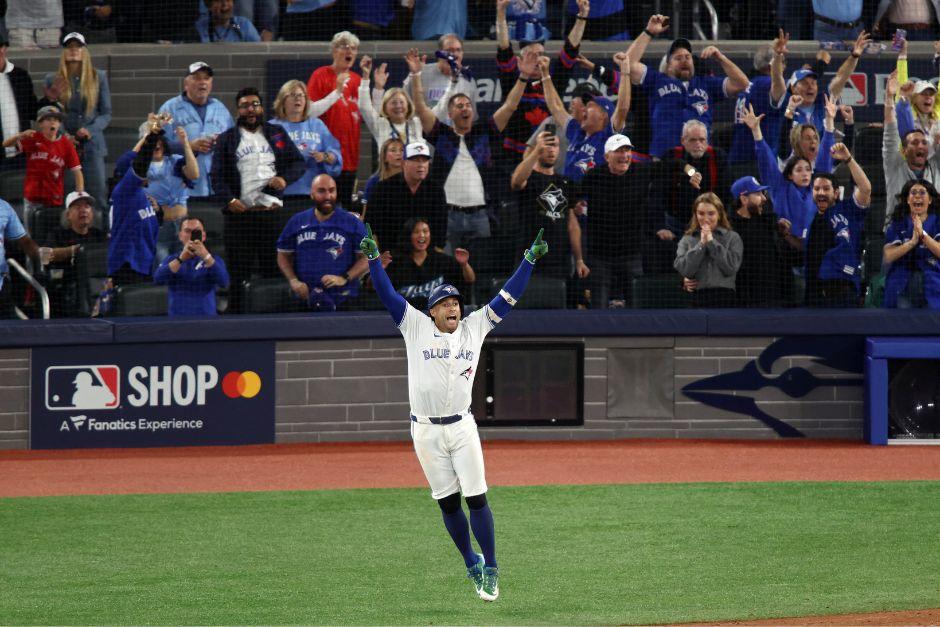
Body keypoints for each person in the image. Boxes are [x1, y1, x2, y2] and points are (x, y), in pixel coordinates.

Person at [361, 219, 549, 603]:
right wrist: (373, 262)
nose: (453, 308)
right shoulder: (414, 326)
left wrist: (529, 260)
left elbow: (507, 298)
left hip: (462, 428)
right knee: (447, 503)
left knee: (476, 497)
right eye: (445, 304)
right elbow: (387, 295)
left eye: (456, 303)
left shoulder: (473, 328)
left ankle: (493, 568)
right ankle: (471, 562)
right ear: (431, 311)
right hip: (425, 432)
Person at [410, 47, 525, 252]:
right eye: (459, 106)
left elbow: (510, 106)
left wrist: (523, 76)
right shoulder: (441, 133)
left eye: (468, 105)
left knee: (481, 270)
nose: (465, 108)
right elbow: (420, 107)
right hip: (446, 216)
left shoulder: (485, 131)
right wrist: (417, 74)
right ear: (450, 112)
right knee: (445, 268)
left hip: (481, 216)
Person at [211, 87, 305, 314]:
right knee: (238, 272)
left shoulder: (277, 133)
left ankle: (272, 316)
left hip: (271, 216)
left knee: (272, 269)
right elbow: (216, 176)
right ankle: (236, 319)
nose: (250, 109)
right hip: (240, 218)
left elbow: (298, 163)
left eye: (255, 104)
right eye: (245, 105)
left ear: (262, 107)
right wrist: (229, 200)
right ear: (238, 110)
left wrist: (284, 179)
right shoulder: (227, 139)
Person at [624, 14, 749, 159]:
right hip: (664, 157)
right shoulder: (657, 80)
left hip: (700, 156)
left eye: (688, 57)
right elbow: (629, 64)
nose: (684, 60)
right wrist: (648, 32)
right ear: (667, 66)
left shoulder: (706, 83)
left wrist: (720, 58)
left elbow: (742, 83)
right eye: (678, 58)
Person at [494, 0, 591, 168]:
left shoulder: (553, 82)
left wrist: (581, 17)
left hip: (546, 160)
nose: (537, 59)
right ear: (520, 61)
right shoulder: (513, 81)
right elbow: (504, 49)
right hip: (512, 159)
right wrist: (501, 14)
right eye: (532, 55)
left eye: (541, 54)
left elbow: (570, 50)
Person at [575, 134, 651, 308]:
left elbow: (673, 166)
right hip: (600, 256)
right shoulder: (594, 176)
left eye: (627, 150)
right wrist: (576, 205)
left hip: (632, 254)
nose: (624, 155)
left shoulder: (642, 171)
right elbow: (574, 195)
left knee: (637, 308)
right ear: (607, 156)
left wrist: (691, 172)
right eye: (618, 151)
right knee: (598, 310)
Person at [277, 174, 369, 312]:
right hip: (304, 298)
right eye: (321, 191)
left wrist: (344, 278)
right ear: (311, 194)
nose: (328, 196)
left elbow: (368, 257)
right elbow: (283, 255)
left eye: (332, 190)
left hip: (343, 299)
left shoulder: (352, 223)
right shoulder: (297, 221)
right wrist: (293, 280)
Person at [511, 130, 588, 291]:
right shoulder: (529, 176)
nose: (551, 150)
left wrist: (579, 259)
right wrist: (535, 149)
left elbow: (572, 226)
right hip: (529, 256)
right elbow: (516, 182)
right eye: (547, 145)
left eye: (555, 146)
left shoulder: (566, 182)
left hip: (559, 259)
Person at [649, 120, 730, 273]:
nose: (698, 144)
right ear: (683, 141)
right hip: (675, 223)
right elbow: (656, 195)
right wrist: (661, 226)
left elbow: (726, 197)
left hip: (708, 225)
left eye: (702, 140)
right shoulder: (671, 156)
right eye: (693, 140)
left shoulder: (718, 157)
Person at [43, 32, 111, 210]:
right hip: (64, 145)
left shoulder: (99, 77)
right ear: (64, 51)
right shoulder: (52, 79)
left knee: (98, 192)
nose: (73, 50)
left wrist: (91, 130)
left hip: (92, 144)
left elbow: (106, 113)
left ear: (84, 50)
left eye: (78, 46)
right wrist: (64, 135)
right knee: (67, 193)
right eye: (69, 47)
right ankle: (67, 233)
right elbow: (51, 113)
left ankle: (102, 232)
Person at [114, 120, 199, 262]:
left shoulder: (175, 161)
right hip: (157, 227)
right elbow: (123, 166)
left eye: (158, 139)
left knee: (186, 264)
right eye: (152, 140)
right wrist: (147, 137)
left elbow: (194, 174)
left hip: (183, 223)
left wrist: (185, 143)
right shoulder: (139, 169)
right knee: (163, 264)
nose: (156, 144)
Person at [540, 53, 631, 182]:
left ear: (603, 115)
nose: (584, 109)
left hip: (591, 196)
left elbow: (623, 108)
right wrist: (545, 74)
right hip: (568, 193)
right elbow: (556, 107)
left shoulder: (608, 136)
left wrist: (625, 71)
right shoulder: (576, 130)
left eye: (589, 105)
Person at [802, 145, 872, 307]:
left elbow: (866, 188)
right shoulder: (810, 217)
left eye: (826, 189)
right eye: (817, 188)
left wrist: (848, 159)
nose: (820, 192)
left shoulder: (848, 209)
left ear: (836, 193)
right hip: (814, 289)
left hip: (842, 287)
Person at [157, 62, 234, 199]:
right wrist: (188, 147)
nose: (202, 82)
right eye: (197, 78)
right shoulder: (169, 109)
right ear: (186, 83)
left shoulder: (221, 108)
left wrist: (220, 143)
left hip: (217, 187)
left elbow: (234, 141)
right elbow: (158, 145)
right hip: (182, 187)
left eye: (206, 78)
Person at [1, 106, 83, 234]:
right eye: (48, 119)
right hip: (32, 198)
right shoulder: (33, 138)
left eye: (56, 120)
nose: (53, 123)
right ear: (40, 123)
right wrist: (20, 135)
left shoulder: (66, 144)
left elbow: (77, 171)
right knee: (31, 235)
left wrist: (80, 193)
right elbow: (5, 144)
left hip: (54, 199)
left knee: (52, 235)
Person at [743, 104, 815, 244]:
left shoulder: (817, 189)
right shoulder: (780, 188)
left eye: (807, 169)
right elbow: (766, 159)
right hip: (785, 248)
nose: (805, 174)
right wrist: (756, 131)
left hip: (812, 251)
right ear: (789, 175)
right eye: (799, 170)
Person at [306, 31, 363, 208]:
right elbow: (309, 113)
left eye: (353, 48)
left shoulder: (358, 80)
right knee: (323, 208)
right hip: (325, 158)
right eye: (344, 46)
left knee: (345, 211)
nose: (349, 51)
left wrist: (375, 86)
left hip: (350, 158)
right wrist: (336, 92)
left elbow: (371, 114)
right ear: (333, 51)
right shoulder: (320, 75)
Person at [268, 79, 342, 212]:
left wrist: (325, 156)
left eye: (301, 95)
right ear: (283, 100)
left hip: (312, 194)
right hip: (281, 194)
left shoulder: (317, 125)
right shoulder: (271, 127)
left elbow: (335, 155)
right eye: (293, 95)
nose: (298, 99)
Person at [727, 176, 801, 307]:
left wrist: (785, 236)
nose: (764, 198)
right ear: (744, 199)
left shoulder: (770, 222)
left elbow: (789, 257)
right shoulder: (729, 229)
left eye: (763, 193)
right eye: (758, 194)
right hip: (746, 304)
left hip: (778, 300)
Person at [107, 123, 164, 289]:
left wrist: (158, 210)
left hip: (144, 264)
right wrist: (152, 138)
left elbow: (152, 223)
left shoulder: (142, 194)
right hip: (127, 266)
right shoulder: (124, 191)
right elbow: (140, 164)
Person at [783, 30, 871, 134]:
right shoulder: (784, 107)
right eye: (805, 83)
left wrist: (854, 57)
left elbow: (841, 77)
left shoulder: (824, 102)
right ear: (793, 88)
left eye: (813, 83)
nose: (810, 87)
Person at [366, 141, 446, 252]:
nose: (421, 165)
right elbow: (370, 226)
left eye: (424, 160)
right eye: (416, 160)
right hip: (392, 256)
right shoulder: (383, 189)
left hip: (426, 257)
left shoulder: (436, 190)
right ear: (404, 163)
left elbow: (440, 230)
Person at [883, 70, 940, 227]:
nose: (920, 145)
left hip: (933, 233)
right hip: (898, 231)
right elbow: (890, 134)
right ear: (904, 150)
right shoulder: (894, 165)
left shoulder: (936, 166)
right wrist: (890, 98)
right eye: (914, 143)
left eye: (923, 142)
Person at [385, 217, 474, 310]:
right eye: (416, 232)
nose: (422, 235)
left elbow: (470, 280)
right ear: (408, 236)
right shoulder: (396, 263)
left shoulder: (443, 260)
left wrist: (464, 264)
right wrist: (379, 268)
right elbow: (374, 288)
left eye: (425, 231)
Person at [41, 190, 106, 317]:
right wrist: (74, 251)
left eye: (87, 206)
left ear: (92, 213)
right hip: (68, 287)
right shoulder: (58, 234)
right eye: (77, 207)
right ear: (68, 215)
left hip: (98, 286)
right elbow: (43, 255)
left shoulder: (99, 235)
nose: (83, 210)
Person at [728, 33, 788, 168]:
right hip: (758, 162)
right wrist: (778, 58)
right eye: (784, 63)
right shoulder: (766, 84)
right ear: (771, 66)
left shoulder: (749, 86)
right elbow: (779, 87)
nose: (784, 67)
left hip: (738, 158)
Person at [674, 192, 743, 308]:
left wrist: (711, 242)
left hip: (725, 298)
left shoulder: (732, 237)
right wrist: (701, 244)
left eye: (711, 213)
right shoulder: (687, 239)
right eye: (701, 213)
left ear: (719, 214)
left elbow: (730, 268)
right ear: (695, 215)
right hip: (696, 298)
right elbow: (684, 270)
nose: (706, 219)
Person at [153, 217, 229, 316]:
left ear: (204, 236)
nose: (192, 236)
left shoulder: (214, 259)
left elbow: (224, 282)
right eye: (187, 231)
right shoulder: (171, 259)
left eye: (196, 232)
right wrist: (181, 259)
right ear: (180, 236)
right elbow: (158, 280)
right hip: (177, 320)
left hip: (207, 320)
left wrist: (206, 256)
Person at [882, 179, 940, 308]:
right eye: (913, 192)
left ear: (930, 200)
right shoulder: (898, 223)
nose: (917, 196)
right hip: (902, 283)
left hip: (934, 283)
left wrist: (922, 235)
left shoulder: (938, 223)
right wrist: (912, 242)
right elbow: (888, 256)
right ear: (908, 200)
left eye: (922, 192)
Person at [402, 34, 477, 123]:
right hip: (423, 132)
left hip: (453, 134)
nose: (454, 54)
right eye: (449, 50)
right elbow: (404, 103)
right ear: (440, 54)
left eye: (458, 50)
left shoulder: (468, 80)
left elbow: (471, 118)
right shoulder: (420, 72)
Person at [358, 56, 426, 151]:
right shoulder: (380, 124)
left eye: (401, 102)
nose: (398, 106)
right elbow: (364, 107)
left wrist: (416, 75)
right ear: (385, 107)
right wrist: (366, 77)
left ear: (408, 105)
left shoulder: (417, 123)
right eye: (393, 103)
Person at [0, 37, 45, 169]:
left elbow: (33, 112)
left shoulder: (20, 76)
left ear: (4, 49)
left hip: (20, 155)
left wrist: (49, 99)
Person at [0, 197, 40, 318]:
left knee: (14, 331)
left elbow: (25, 242)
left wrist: (41, 262)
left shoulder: (3, 207)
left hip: (1, 288)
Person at [362, 137, 404, 209]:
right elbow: (365, 213)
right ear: (384, 157)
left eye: (402, 150)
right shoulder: (374, 182)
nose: (398, 153)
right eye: (393, 150)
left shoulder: (411, 180)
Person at [194, 0, 261, 43]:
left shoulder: (241, 25)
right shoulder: (199, 28)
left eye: (228, 0)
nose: (224, 4)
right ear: (209, 6)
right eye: (219, 1)